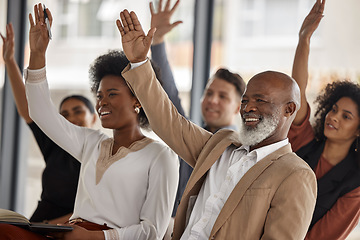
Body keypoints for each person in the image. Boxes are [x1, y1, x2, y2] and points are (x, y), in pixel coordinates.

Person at [117, 9, 317, 239]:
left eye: (260, 100)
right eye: (245, 100)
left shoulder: (295, 174)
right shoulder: (222, 144)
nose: (248, 107)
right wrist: (139, 63)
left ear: (289, 109)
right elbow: (168, 120)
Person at [0, 4, 178, 240]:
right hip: (69, 233)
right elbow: (41, 113)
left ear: (138, 100)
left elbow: (152, 231)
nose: (102, 102)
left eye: (112, 94)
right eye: (99, 95)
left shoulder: (161, 156)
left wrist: (98, 237)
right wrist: (38, 55)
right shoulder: (92, 142)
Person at [149, 0, 246, 218]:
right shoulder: (189, 133)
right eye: (209, 93)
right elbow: (170, 96)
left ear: (238, 107)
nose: (212, 101)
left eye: (222, 96)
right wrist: (157, 42)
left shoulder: (240, 151)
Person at [1, 23, 97, 224]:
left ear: (94, 117)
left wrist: (50, 226)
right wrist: (9, 61)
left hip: (68, 229)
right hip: (38, 224)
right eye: (64, 114)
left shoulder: (101, 153)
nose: (70, 117)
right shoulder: (55, 146)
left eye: (78, 111)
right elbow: (28, 110)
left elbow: (97, 209)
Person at [289, 0, 360, 239]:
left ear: (358, 130)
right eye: (334, 109)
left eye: (346, 116)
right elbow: (297, 92)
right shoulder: (304, 141)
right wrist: (304, 39)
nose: (334, 117)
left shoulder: (355, 184)